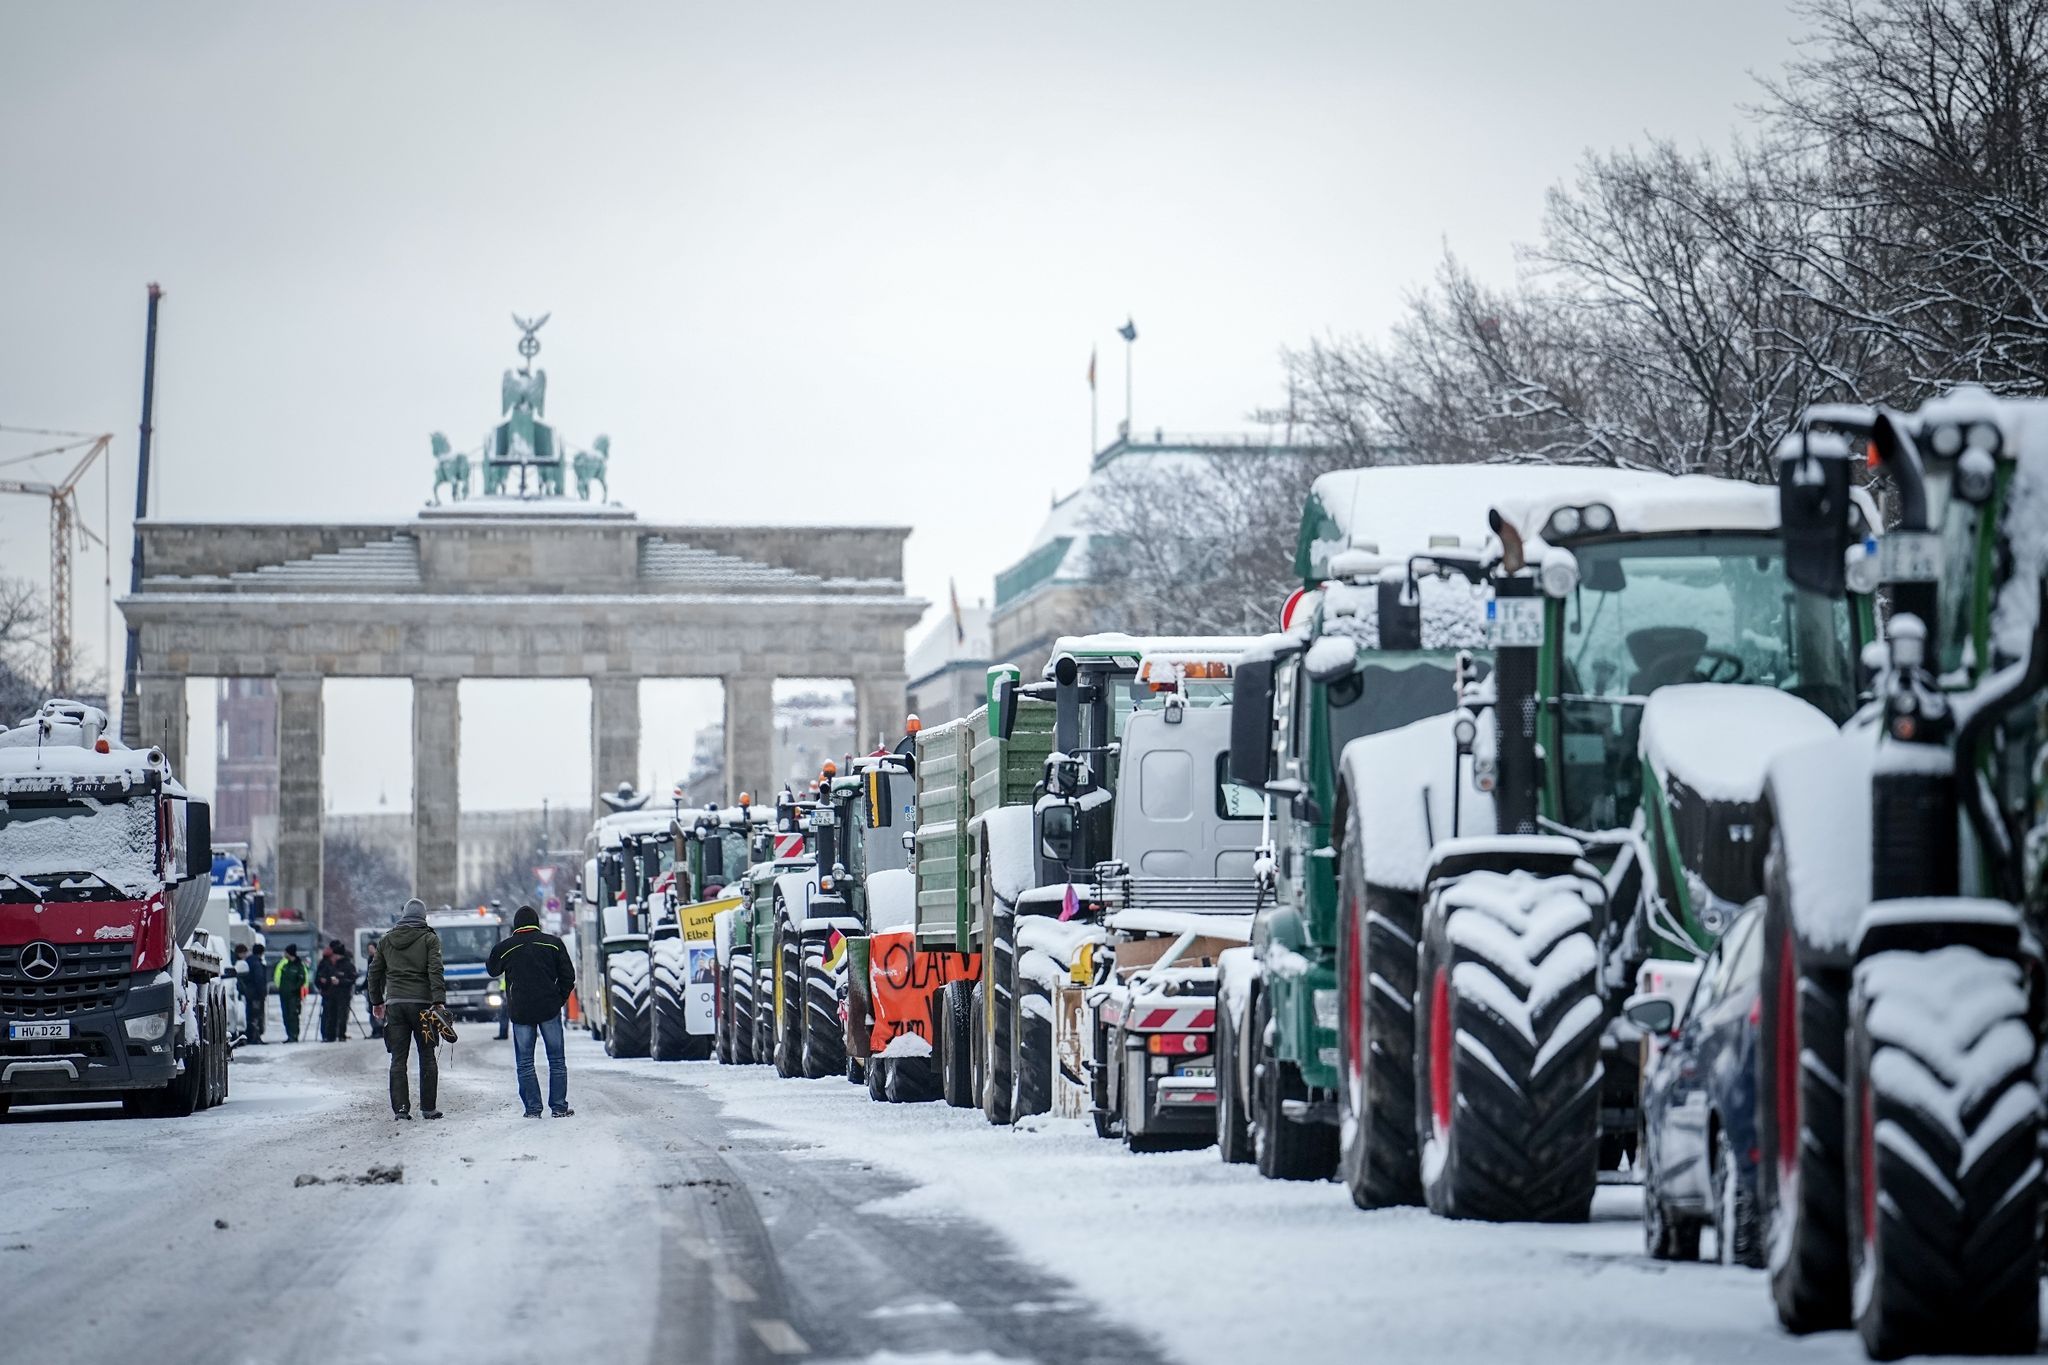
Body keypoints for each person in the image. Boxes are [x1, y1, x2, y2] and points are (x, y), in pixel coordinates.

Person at [485, 904, 577, 1118]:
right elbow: (568, 976)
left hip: (521, 1012)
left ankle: (533, 1109)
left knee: (525, 1063)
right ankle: (559, 1107)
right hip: (549, 1009)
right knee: (556, 1060)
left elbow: (492, 969)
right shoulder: (553, 944)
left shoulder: (506, 947)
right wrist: (558, 1000)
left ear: (515, 926)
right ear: (537, 923)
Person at [368, 898, 446, 1119]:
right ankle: (428, 1108)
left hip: (395, 1005)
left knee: (398, 1059)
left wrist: (376, 1002)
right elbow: (435, 970)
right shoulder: (429, 939)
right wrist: (438, 999)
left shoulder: (386, 940)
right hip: (422, 1006)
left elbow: (374, 973)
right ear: (423, 917)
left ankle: (401, 1109)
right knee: (427, 1056)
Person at [314, 940, 355, 1042]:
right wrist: (324, 982)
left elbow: (352, 979)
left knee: (342, 1015)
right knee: (330, 1014)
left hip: (343, 994)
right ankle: (330, 1035)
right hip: (331, 993)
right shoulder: (329, 963)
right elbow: (325, 975)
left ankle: (341, 1034)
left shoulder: (347, 965)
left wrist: (340, 981)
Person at [274, 944, 308, 1042]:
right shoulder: (285, 965)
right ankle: (289, 1035)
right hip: (284, 995)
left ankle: (294, 1035)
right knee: (286, 1016)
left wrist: (295, 989)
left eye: (286, 952)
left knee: (293, 1016)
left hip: (294, 996)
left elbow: (302, 979)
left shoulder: (299, 966)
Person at [240, 939, 269, 1043]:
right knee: (256, 1016)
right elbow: (259, 979)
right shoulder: (257, 963)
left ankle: (251, 1036)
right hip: (256, 994)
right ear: (262, 953)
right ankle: (255, 1037)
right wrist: (263, 993)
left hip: (249, 993)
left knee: (250, 1015)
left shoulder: (248, 961)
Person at [361, 940, 382, 1040]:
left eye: (371, 949)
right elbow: (368, 976)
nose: (370, 951)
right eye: (369, 949)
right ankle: (375, 1030)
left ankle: (379, 1029)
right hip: (371, 988)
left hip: (378, 988)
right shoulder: (370, 959)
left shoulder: (379, 959)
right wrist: (362, 986)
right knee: (371, 1009)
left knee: (377, 1008)